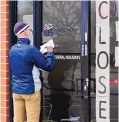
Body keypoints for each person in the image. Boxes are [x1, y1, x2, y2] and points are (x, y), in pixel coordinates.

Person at [9, 22, 55, 122]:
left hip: (17, 91)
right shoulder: (31, 50)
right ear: (24, 32)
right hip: (31, 91)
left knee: (17, 119)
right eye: (29, 29)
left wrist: (38, 55)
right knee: (33, 120)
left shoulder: (12, 49)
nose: (30, 31)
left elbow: (24, 63)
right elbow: (48, 66)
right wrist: (50, 52)